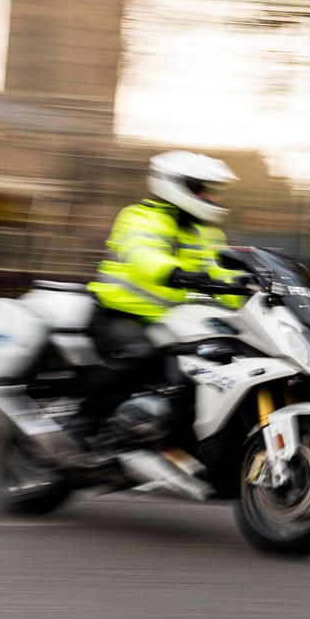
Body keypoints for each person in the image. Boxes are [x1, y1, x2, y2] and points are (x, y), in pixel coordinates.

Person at [80, 151, 247, 423]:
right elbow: (143, 254)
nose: (210, 197)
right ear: (176, 185)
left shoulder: (207, 232)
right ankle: (84, 419)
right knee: (138, 354)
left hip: (172, 321)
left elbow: (218, 271)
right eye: (200, 190)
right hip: (121, 314)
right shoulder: (139, 216)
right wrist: (176, 273)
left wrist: (248, 286)